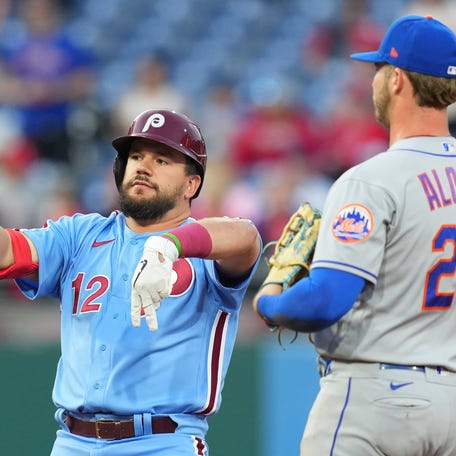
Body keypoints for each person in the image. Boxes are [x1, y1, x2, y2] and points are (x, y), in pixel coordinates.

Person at [0, 108, 262, 455]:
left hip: (161, 442)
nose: (143, 165)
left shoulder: (205, 250)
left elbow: (246, 237)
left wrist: (169, 245)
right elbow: (8, 252)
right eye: (135, 155)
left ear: (191, 184)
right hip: (71, 442)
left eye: (162, 159)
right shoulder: (81, 236)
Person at [253, 14, 456, 455]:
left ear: (398, 79)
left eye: (378, 70)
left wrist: (269, 300)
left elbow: (324, 301)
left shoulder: (371, 180)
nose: (373, 81)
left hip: (375, 397)